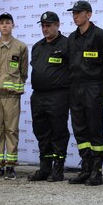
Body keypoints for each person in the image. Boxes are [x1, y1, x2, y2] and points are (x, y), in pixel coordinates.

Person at [66, 0, 103, 186]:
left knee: (94, 129)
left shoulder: (100, 36)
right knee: (80, 129)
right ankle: (85, 166)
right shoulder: (72, 38)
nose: (75, 15)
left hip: (94, 88)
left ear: (89, 15)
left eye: (79, 12)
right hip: (75, 88)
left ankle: (97, 170)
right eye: (73, 13)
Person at [27, 11, 70, 182]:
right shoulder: (37, 46)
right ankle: (44, 168)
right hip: (38, 96)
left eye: (49, 25)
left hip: (58, 95)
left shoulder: (67, 44)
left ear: (57, 25)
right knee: (41, 132)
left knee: (58, 132)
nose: (45, 29)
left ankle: (58, 169)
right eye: (43, 26)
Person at [0, 12, 29, 180]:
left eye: (8, 22)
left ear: (13, 25)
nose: (5, 25)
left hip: (12, 96)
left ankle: (10, 166)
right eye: (2, 23)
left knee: (11, 130)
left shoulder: (20, 47)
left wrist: (16, 85)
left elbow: (23, 72)